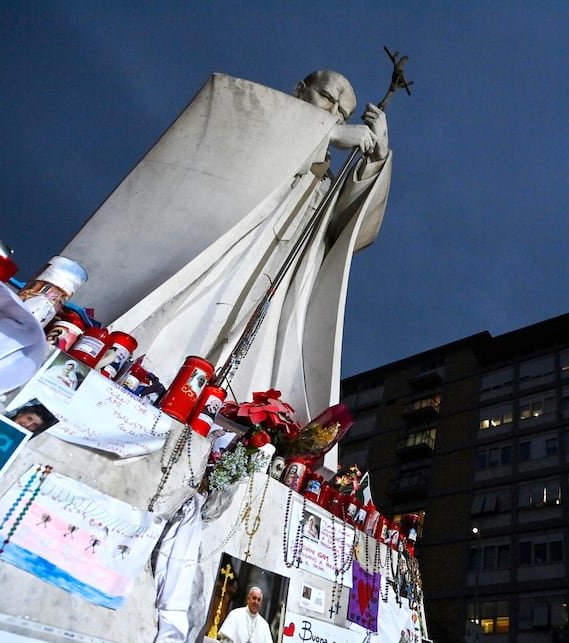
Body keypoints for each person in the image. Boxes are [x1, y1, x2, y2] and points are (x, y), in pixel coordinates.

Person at [98, 69, 393, 435]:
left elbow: (353, 232)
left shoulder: (325, 178)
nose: (333, 114)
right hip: (230, 253)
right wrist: (325, 133)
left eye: (342, 113)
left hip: (277, 279)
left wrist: (377, 157)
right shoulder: (256, 118)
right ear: (300, 89)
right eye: (326, 99)